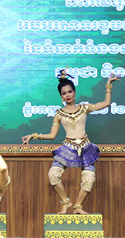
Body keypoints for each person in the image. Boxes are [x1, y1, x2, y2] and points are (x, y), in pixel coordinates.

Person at [21, 69, 117, 214]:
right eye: (64, 93)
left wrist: (108, 84)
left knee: (89, 178)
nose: (67, 95)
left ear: (74, 92)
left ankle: (78, 206)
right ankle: (65, 203)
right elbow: (52, 135)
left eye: (70, 91)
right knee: (53, 174)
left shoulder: (84, 108)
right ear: (61, 96)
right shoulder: (59, 113)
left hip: (85, 148)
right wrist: (33, 136)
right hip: (67, 149)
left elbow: (106, 103)